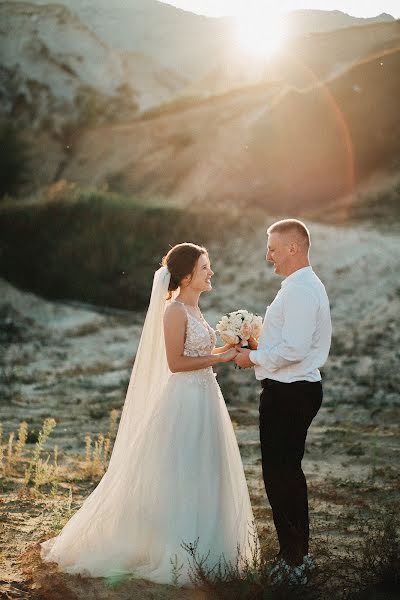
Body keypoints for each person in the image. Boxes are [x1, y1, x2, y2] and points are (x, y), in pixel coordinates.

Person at [40, 242, 259, 585]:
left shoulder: (196, 310)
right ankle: (176, 551)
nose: (211, 272)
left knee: (204, 470)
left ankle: (207, 548)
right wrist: (221, 358)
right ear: (186, 276)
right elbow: (176, 363)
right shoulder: (173, 311)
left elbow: (199, 351)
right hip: (184, 401)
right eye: (205, 268)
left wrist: (231, 347)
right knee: (181, 472)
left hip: (206, 398)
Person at [234, 219, 331, 584]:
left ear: (293, 247)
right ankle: (293, 556)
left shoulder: (302, 289)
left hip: (291, 393)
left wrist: (252, 358)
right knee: (283, 474)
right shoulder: (297, 286)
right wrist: (257, 345)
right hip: (290, 389)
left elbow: (294, 349)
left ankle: (295, 562)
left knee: (282, 476)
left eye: (273, 248)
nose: (268, 256)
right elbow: (288, 342)